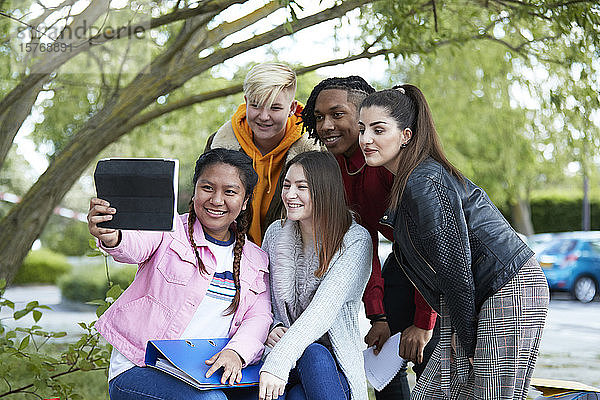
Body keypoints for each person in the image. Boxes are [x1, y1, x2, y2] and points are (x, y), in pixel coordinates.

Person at [358, 85, 549, 399]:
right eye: (363, 129)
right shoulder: (409, 181)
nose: (366, 139)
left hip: (505, 287)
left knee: (490, 394)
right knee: (433, 393)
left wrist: (468, 342)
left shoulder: (423, 181)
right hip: (464, 299)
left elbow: (454, 266)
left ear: (405, 135)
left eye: (379, 130)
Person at [89, 148, 273, 400]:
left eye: (229, 192)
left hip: (207, 372)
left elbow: (259, 317)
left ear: (244, 202)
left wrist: (237, 352)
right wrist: (113, 237)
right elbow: (133, 245)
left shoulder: (256, 258)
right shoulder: (169, 229)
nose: (217, 200)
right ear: (195, 189)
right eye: (207, 188)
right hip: (141, 368)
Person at [301, 76, 438, 399]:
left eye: (337, 114)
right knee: (382, 364)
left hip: (441, 274)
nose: (325, 126)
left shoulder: (395, 162)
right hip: (403, 264)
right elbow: (363, 244)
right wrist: (378, 314)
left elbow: (430, 248)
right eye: (319, 117)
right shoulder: (334, 169)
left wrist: (423, 321)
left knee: (428, 362)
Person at [258, 151, 372, 400]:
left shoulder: (354, 240)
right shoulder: (276, 233)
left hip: (329, 365)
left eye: (301, 187)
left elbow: (323, 311)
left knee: (313, 356)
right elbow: (262, 297)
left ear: (324, 190)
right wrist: (273, 326)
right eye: (286, 185)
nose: (289, 195)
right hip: (280, 353)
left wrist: (277, 363)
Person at [205, 62, 322, 246]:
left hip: (288, 258)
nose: (264, 116)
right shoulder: (219, 144)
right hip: (230, 256)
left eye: (275, 108)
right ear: (246, 101)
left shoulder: (312, 152)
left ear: (291, 108)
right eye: (256, 105)